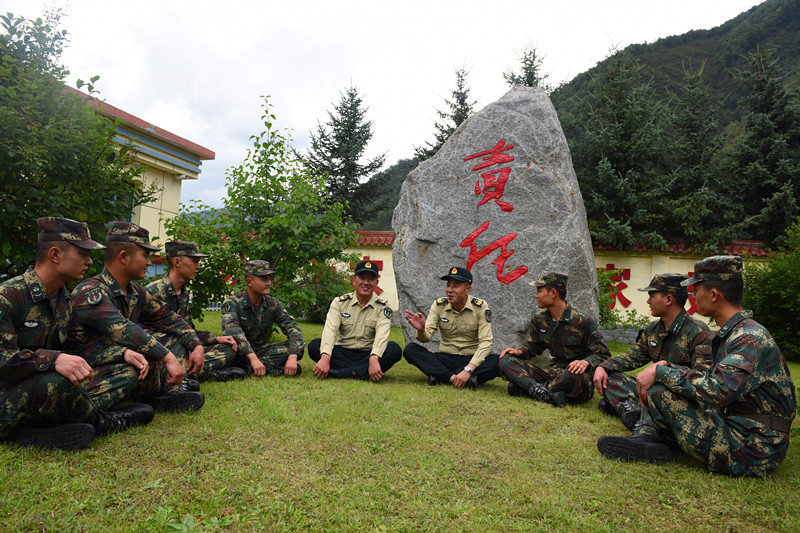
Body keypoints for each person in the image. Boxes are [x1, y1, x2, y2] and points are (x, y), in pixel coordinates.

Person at [597, 256, 797, 476]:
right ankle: (651, 437)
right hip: (744, 429)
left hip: (754, 448)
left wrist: (662, 371)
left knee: (659, 391)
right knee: (659, 387)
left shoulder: (747, 337)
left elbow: (718, 389)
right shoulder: (736, 333)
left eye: (696, 288)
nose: (692, 295)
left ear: (713, 294)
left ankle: (655, 435)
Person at [0, 217, 153, 450]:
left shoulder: (65, 300)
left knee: (125, 369)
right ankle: (102, 421)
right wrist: (52, 359)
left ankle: (38, 431)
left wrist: (122, 354)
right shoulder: (9, 297)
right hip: (8, 396)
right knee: (59, 382)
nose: (90, 261)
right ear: (55, 254)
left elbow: (79, 349)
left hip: (44, 394)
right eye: (83, 254)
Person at [73, 221, 205, 413]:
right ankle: (88, 412)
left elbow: (170, 318)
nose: (149, 262)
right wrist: (167, 357)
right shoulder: (91, 291)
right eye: (145, 255)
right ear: (124, 257)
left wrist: (196, 344)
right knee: (132, 369)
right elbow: (122, 328)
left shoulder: (135, 293)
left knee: (173, 341)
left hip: (125, 359)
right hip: (94, 365)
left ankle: (167, 394)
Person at [593, 273, 713, 429]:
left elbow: (704, 378)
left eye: (651, 295)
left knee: (656, 391)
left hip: (678, 396)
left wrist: (666, 368)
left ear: (669, 299)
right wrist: (604, 366)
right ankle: (632, 410)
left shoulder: (698, 332)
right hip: (651, 390)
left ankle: (627, 406)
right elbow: (632, 356)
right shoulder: (653, 330)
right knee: (609, 378)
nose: (648, 301)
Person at [499, 271, 609, 407]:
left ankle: (530, 388)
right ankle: (542, 391)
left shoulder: (583, 321)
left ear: (553, 293)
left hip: (576, 377)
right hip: (552, 372)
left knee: (574, 375)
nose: (536, 295)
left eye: (539, 291)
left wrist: (585, 362)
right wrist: (520, 352)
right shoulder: (539, 319)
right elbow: (535, 346)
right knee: (506, 359)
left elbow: (603, 355)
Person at [145, 241, 244, 382]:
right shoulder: (153, 292)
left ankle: (193, 372)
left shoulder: (184, 294)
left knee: (228, 348)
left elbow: (190, 330)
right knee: (179, 348)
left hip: (184, 350)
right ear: (177, 261)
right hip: (163, 353)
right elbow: (143, 334)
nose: (198, 266)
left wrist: (216, 339)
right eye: (194, 261)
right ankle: (201, 374)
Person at [403, 266, 498, 389]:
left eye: (456, 286)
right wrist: (421, 329)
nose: (449, 290)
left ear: (467, 289)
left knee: (497, 361)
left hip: (470, 359)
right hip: (446, 359)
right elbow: (425, 338)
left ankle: (440, 376)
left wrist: (469, 369)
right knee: (410, 349)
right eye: (448, 285)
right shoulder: (439, 305)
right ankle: (458, 378)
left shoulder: (480, 307)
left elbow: (486, 342)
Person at [308, 260, 401, 381]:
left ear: (376, 282)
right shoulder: (339, 302)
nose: (366, 283)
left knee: (394, 349)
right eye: (362, 278)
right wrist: (325, 357)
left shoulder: (383, 307)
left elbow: (382, 336)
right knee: (314, 345)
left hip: (368, 353)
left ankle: (345, 372)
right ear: (354, 280)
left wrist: (374, 358)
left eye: (371, 279)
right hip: (343, 352)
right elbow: (330, 330)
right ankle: (361, 372)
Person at [221, 260, 305, 377]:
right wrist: (252, 358)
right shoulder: (232, 303)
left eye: (270, 279)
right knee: (226, 351)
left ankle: (247, 369)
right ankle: (262, 367)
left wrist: (292, 356)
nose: (269, 283)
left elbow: (293, 328)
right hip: (238, 352)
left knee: (295, 349)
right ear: (249, 282)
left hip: (260, 350)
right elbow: (233, 333)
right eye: (263, 279)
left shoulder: (273, 303)